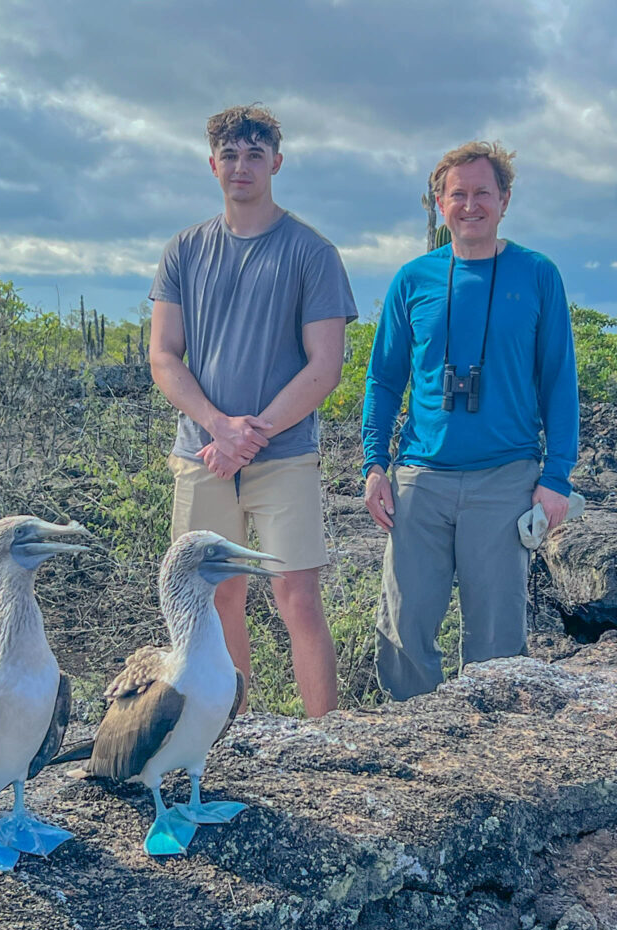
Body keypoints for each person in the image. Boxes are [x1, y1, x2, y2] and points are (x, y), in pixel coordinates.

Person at [149, 104, 357, 717]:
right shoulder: (183, 251)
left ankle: (328, 737)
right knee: (217, 597)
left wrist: (251, 434)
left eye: (255, 154)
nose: (242, 166)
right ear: (213, 164)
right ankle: (233, 733)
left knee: (297, 594)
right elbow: (164, 355)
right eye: (230, 155)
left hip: (284, 453)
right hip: (203, 453)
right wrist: (219, 427)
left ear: (276, 163)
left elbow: (324, 367)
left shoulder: (312, 252)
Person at [361, 141, 578, 701]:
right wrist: (374, 465)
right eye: (458, 194)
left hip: (504, 478)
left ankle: (489, 755)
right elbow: (384, 380)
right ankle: (415, 746)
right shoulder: (413, 280)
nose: (471, 204)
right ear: (439, 203)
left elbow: (559, 380)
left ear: (504, 200)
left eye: (484, 192)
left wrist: (555, 479)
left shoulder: (537, 275)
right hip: (421, 478)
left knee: (497, 640)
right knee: (405, 631)